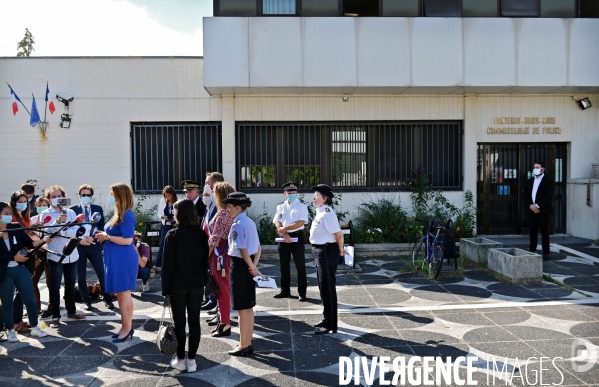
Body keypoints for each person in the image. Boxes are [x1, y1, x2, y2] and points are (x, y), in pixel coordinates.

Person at [161, 199, 209, 373]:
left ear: (180, 213)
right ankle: (192, 361)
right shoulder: (201, 234)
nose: (173, 212)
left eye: (174, 210)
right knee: (195, 322)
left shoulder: (172, 235)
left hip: (177, 286)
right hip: (196, 284)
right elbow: (205, 262)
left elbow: (167, 266)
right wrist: (202, 280)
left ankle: (181, 359)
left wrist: (165, 290)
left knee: (179, 323)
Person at [0, 201, 50, 342]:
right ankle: (10, 330)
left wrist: (44, 240)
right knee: (7, 302)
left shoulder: (15, 227)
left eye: (10, 214)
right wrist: (13, 256)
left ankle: (35, 327)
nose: (10, 217)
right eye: (6, 214)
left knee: (30, 299)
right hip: (4, 272)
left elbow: (29, 243)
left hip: (20, 269)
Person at [94, 183, 138, 342]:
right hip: (115, 257)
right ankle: (125, 326)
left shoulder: (127, 215)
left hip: (123, 258)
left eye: (113, 194)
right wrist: (104, 235)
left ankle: (127, 328)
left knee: (124, 293)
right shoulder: (119, 213)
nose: (110, 197)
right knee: (120, 293)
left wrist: (108, 237)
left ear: (120, 196)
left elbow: (127, 240)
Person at [40, 185, 88, 328]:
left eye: (59, 196)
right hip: (56, 255)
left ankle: (71, 311)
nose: (57, 199)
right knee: (54, 286)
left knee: (70, 284)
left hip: (72, 254)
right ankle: (55, 315)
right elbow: (48, 233)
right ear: (49, 199)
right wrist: (58, 222)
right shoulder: (46, 214)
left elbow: (77, 230)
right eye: (53, 197)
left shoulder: (71, 212)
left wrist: (64, 232)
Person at [223, 192, 262, 356]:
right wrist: (254, 265)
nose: (227, 210)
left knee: (242, 308)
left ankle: (243, 345)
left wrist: (251, 266)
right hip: (248, 264)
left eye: (229, 207)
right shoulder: (250, 221)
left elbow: (243, 249)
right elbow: (258, 248)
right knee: (248, 307)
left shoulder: (237, 224)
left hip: (240, 266)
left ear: (237, 207)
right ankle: (247, 342)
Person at [71, 184, 114, 310]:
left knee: (102, 272)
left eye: (88, 195)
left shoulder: (98, 208)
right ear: (79, 195)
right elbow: (71, 228)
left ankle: (107, 299)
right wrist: (80, 240)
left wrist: (93, 237)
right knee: (81, 274)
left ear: (91, 196)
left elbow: (101, 226)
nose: (85, 197)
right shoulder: (73, 210)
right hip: (80, 246)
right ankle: (86, 300)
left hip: (94, 244)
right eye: (83, 195)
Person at [309, 184, 345, 335]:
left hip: (326, 251)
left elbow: (339, 234)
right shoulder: (320, 212)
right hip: (320, 251)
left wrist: (341, 250)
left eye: (316, 195)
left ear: (324, 199)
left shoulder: (327, 213)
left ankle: (331, 324)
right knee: (323, 287)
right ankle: (326, 318)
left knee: (328, 288)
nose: (314, 197)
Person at [206, 181, 235, 337]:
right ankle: (223, 321)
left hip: (219, 255)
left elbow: (215, 238)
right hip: (224, 253)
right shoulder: (230, 212)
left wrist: (205, 257)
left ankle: (225, 323)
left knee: (222, 290)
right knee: (222, 289)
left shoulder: (223, 213)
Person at [272, 182, 309, 301]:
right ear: (285, 193)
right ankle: (285, 290)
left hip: (297, 236)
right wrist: (285, 233)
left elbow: (301, 222)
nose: (292, 195)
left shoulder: (301, 206)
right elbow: (277, 221)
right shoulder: (280, 206)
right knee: (284, 265)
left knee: (300, 265)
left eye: (294, 193)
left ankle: (302, 292)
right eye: (290, 193)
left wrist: (285, 229)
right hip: (283, 237)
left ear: (296, 193)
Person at [9, 190, 34, 332]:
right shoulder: (11, 217)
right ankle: (13, 322)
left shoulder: (25, 217)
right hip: (14, 257)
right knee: (13, 291)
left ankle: (18, 319)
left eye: (25, 202)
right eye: (20, 202)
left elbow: (27, 236)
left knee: (21, 291)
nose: (23, 204)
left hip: (26, 254)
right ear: (13, 203)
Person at [200, 172, 225, 312]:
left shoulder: (221, 205)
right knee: (210, 274)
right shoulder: (210, 203)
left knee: (217, 276)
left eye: (208, 184)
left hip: (217, 249)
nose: (206, 187)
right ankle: (212, 299)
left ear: (215, 184)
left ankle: (218, 305)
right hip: (209, 245)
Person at [523, 161, 555, 261]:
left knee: (544, 230)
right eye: (534, 167)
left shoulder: (549, 180)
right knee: (532, 230)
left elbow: (548, 195)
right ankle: (532, 249)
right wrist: (531, 206)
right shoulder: (530, 180)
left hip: (543, 210)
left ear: (543, 169)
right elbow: (525, 194)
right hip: (531, 209)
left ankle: (546, 252)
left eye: (537, 167)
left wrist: (537, 206)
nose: (535, 169)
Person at [30, 197, 52, 318]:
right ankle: (36, 307)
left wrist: (45, 245)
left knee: (50, 282)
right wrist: (40, 243)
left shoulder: (51, 219)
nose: (42, 207)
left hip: (49, 253)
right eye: (40, 205)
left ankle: (50, 307)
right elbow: (29, 234)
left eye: (45, 205)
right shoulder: (33, 219)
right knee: (33, 281)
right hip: (36, 253)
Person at [152, 185, 178, 278]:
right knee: (162, 245)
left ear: (173, 195)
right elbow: (159, 213)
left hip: (174, 226)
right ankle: (156, 265)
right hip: (165, 226)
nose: (167, 197)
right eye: (166, 195)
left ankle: (173, 266)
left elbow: (178, 215)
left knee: (174, 246)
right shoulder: (162, 201)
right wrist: (163, 217)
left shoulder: (177, 202)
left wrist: (174, 220)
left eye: (169, 195)